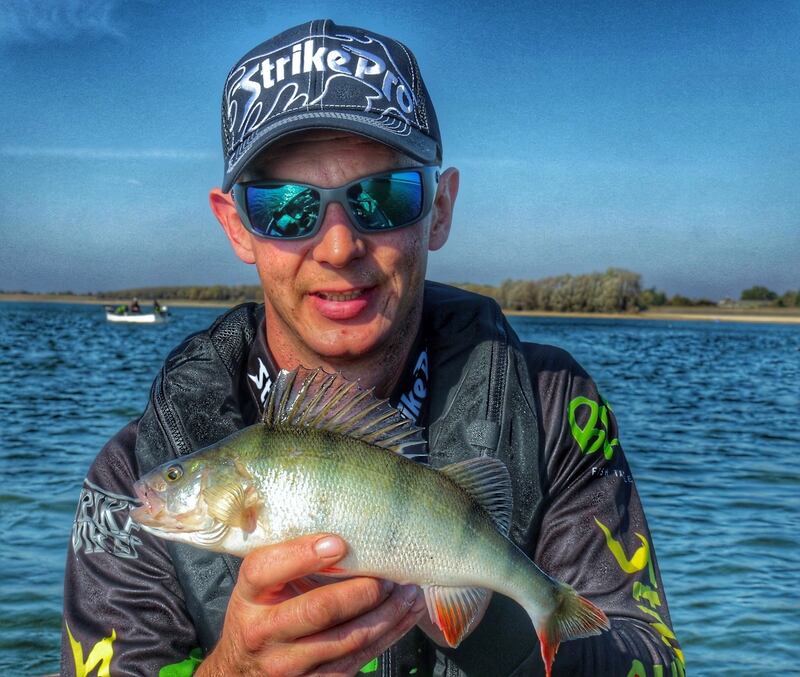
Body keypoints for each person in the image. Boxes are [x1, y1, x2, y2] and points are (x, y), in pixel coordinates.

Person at [62, 19, 683, 677]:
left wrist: (484, 612)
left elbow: (654, 660)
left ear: (439, 209)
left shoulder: (553, 408)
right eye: (287, 206)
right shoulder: (131, 472)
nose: (338, 246)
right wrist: (235, 669)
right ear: (237, 227)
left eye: (383, 196)